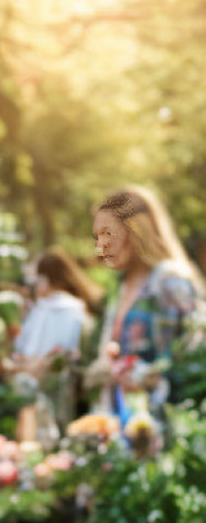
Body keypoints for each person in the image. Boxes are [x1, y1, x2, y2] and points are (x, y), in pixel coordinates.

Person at [90, 186, 204, 419]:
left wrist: (142, 375)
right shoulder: (121, 285)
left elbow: (192, 363)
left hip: (167, 429)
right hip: (124, 427)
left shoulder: (171, 282)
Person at [12, 247, 102, 441]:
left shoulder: (69, 309)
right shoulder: (45, 307)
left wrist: (39, 364)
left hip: (60, 391)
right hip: (40, 387)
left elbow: (66, 352)